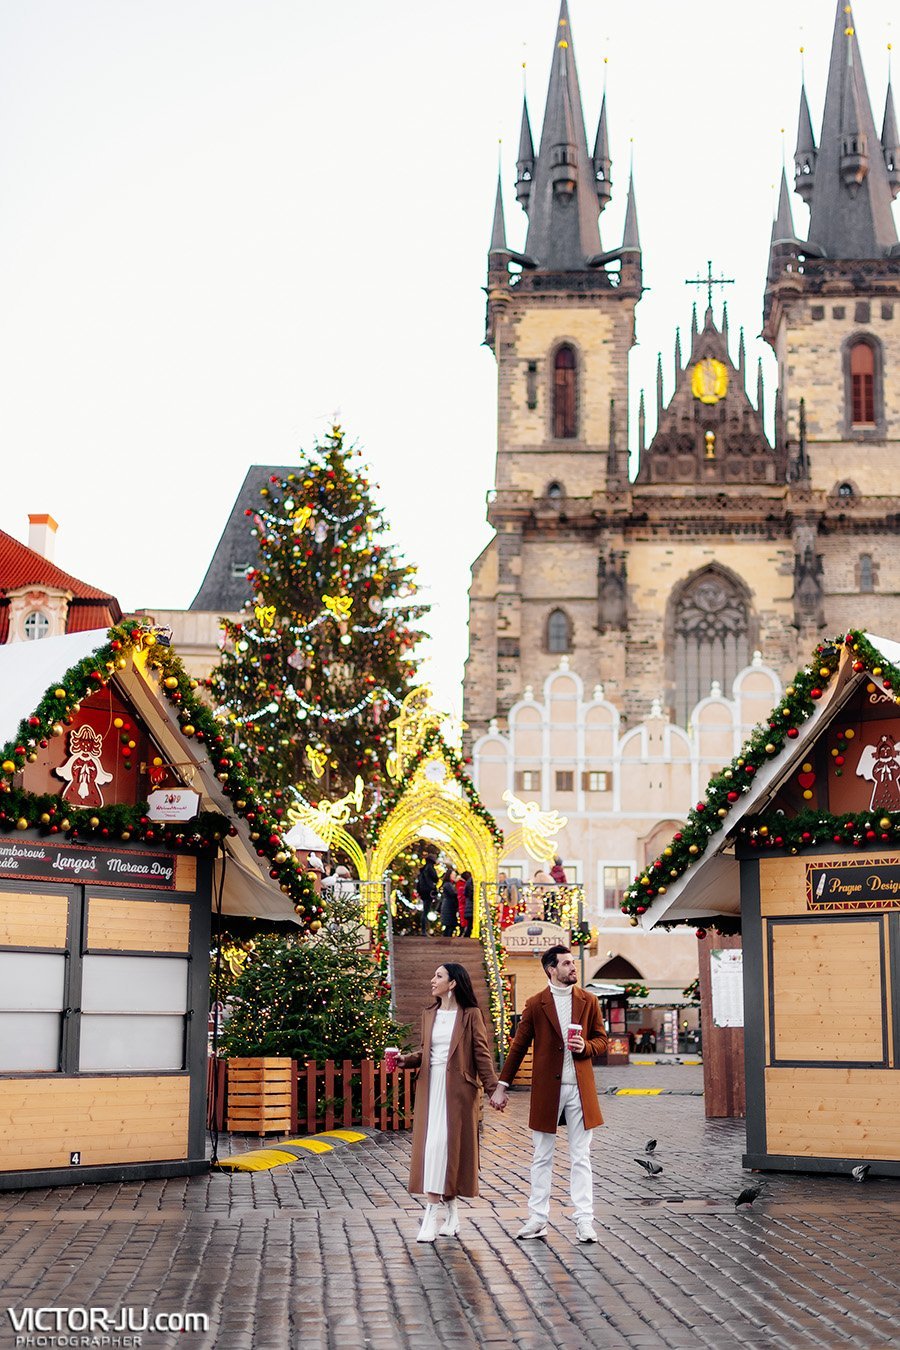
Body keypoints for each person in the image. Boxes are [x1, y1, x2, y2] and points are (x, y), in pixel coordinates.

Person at [490, 944, 607, 1243]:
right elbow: (518, 1046)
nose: (573, 967)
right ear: (551, 969)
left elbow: (602, 1041)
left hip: (581, 1090)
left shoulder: (589, 1001)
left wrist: (587, 1047)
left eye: (573, 963)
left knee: (581, 1157)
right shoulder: (535, 1003)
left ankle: (584, 1220)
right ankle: (537, 1218)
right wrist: (502, 1086)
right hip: (547, 1091)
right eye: (566, 964)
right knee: (542, 1156)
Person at [399, 963, 499, 1243]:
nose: (432, 980)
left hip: (458, 1092)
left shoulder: (470, 1015)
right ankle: (446, 1213)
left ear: (453, 983)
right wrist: (405, 1060)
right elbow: (426, 1051)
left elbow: (482, 1055)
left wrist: (493, 1090)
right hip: (430, 1089)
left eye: (439, 976)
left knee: (448, 1148)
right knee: (434, 1148)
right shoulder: (428, 1014)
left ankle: (435, 1213)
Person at [415, 853, 439, 935]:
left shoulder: (423, 869)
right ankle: (424, 930)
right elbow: (436, 878)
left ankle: (424, 929)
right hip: (429, 892)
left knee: (425, 911)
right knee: (426, 911)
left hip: (423, 892)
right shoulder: (430, 868)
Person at [440, 868, 459, 937]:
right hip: (449, 906)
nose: (454, 876)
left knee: (450, 925)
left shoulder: (449, 884)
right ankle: (446, 939)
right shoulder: (448, 884)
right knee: (450, 925)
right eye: (453, 875)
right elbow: (453, 893)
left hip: (449, 906)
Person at [461, 870, 474, 937]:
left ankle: (466, 935)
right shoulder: (471, 881)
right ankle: (466, 936)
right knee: (470, 924)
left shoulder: (467, 883)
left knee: (469, 923)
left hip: (468, 905)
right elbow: (470, 893)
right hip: (471, 905)